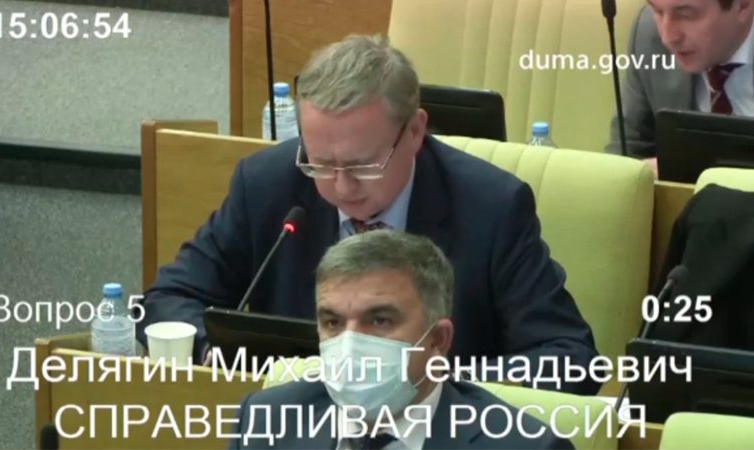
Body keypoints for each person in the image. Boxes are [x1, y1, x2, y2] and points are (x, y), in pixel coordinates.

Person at [137, 34, 600, 395]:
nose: (341, 187)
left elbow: (571, 360)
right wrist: (228, 360)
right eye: (321, 163)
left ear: (415, 131)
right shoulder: (266, 185)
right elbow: (169, 299)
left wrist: (431, 382)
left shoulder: (491, 206)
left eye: (363, 165)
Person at [226, 231, 575, 450]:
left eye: (379, 320)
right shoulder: (264, 423)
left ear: (438, 339)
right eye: (333, 322)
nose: (350, 345)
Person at [606, 0, 754, 177]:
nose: (667, 37)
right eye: (657, 11)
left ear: (743, 5)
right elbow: (626, 154)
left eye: (686, 15)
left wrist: (691, 171)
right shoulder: (648, 34)